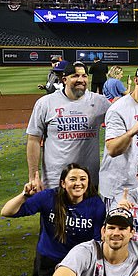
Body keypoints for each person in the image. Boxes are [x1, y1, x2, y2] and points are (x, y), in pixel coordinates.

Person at [2, 164, 106, 276]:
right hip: (49, 261)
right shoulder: (49, 197)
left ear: (88, 182)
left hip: (78, 263)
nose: (78, 183)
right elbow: (7, 211)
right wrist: (24, 195)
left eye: (83, 179)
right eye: (73, 179)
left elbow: (97, 240)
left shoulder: (96, 204)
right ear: (63, 183)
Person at [27, 60, 111, 190]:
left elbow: (121, 117)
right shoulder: (45, 103)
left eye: (84, 76)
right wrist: (33, 177)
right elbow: (33, 140)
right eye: (75, 76)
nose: (80, 79)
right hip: (55, 181)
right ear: (65, 79)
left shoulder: (100, 102)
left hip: (88, 180)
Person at [99, 65, 138, 202]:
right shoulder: (118, 109)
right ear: (136, 80)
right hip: (120, 188)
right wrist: (132, 132)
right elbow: (112, 149)